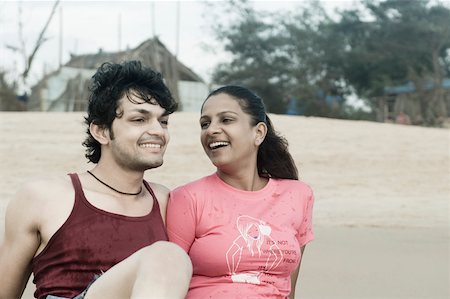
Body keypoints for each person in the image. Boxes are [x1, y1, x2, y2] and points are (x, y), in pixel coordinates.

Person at [0, 60, 192, 299]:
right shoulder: (44, 197)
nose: (158, 131)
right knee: (167, 256)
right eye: (139, 119)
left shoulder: (167, 202)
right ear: (101, 131)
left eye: (163, 121)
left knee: (169, 259)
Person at [167, 85, 314, 299]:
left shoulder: (297, 195)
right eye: (205, 123)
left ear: (258, 132)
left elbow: (288, 290)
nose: (211, 130)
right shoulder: (188, 198)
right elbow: (169, 284)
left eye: (226, 120)